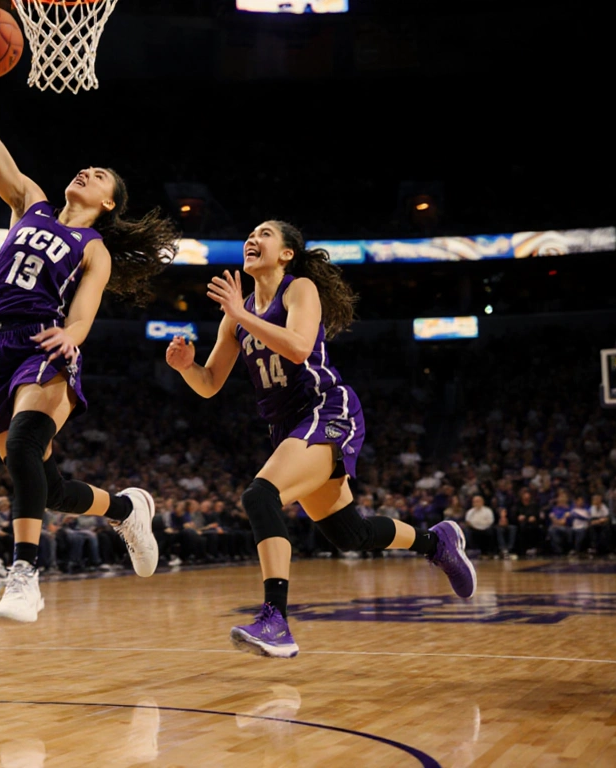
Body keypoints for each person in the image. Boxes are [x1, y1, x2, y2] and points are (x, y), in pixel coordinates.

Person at [0, 30, 177, 622]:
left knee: (23, 445)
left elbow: (87, 303)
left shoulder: (93, 245)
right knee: (40, 481)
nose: (89, 171)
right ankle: (125, 509)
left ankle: (24, 576)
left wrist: (73, 335)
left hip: (43, 342)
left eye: (101, 175)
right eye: (88, 168)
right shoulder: (30, 202)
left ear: (108, 203)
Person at [165, 221, 476, 659]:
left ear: (287, 253)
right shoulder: (239, 314)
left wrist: (240, 315)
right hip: (287, 428)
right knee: (351, 534)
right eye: (251, 233)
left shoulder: (299, 289)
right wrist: (185, 367)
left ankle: (275, 620)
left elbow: (298, 348)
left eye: (266, 233)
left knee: (260, 496)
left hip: (325, 409)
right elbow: (211, 383)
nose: (253, 239)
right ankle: (436, 543)